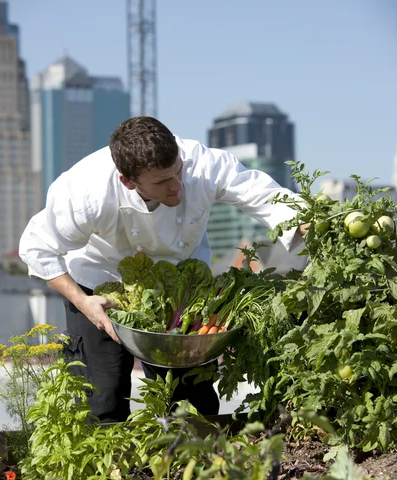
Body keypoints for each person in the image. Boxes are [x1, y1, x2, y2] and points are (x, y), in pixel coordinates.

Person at [19, 116, 305, 423]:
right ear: (128, 181)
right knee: (103, 396)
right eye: (161, 182)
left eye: (178, 171)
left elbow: (263, 195)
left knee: (191, 400)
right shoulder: (86, 192)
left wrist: (305, 219)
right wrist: (83, 302)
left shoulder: (203, 165)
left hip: (178, 285)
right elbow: (37, 248)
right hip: (99, 282)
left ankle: (198, 467)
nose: (177, 186)